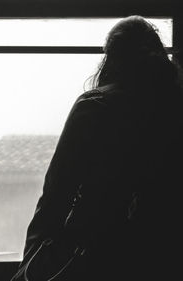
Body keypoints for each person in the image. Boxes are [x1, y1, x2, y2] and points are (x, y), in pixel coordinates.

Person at [11, 15, 183, 281]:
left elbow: (57, 193)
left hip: (96, 256)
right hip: (165, 256)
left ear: (111, 57)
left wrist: (30, 264)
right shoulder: (174, 105)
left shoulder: (95, 105)